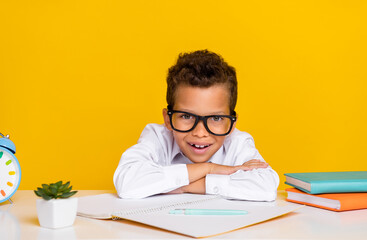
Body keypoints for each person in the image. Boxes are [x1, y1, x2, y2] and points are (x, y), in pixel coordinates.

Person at [114, 50, 279, 200]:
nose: (200, 133)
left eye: (215, 118)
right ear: (167, 119)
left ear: (232, 123)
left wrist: (185, 186)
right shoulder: (158, 137)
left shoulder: (238, 142)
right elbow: (127, 182)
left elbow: (266, 187)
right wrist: (208, 168)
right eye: (186, 116)